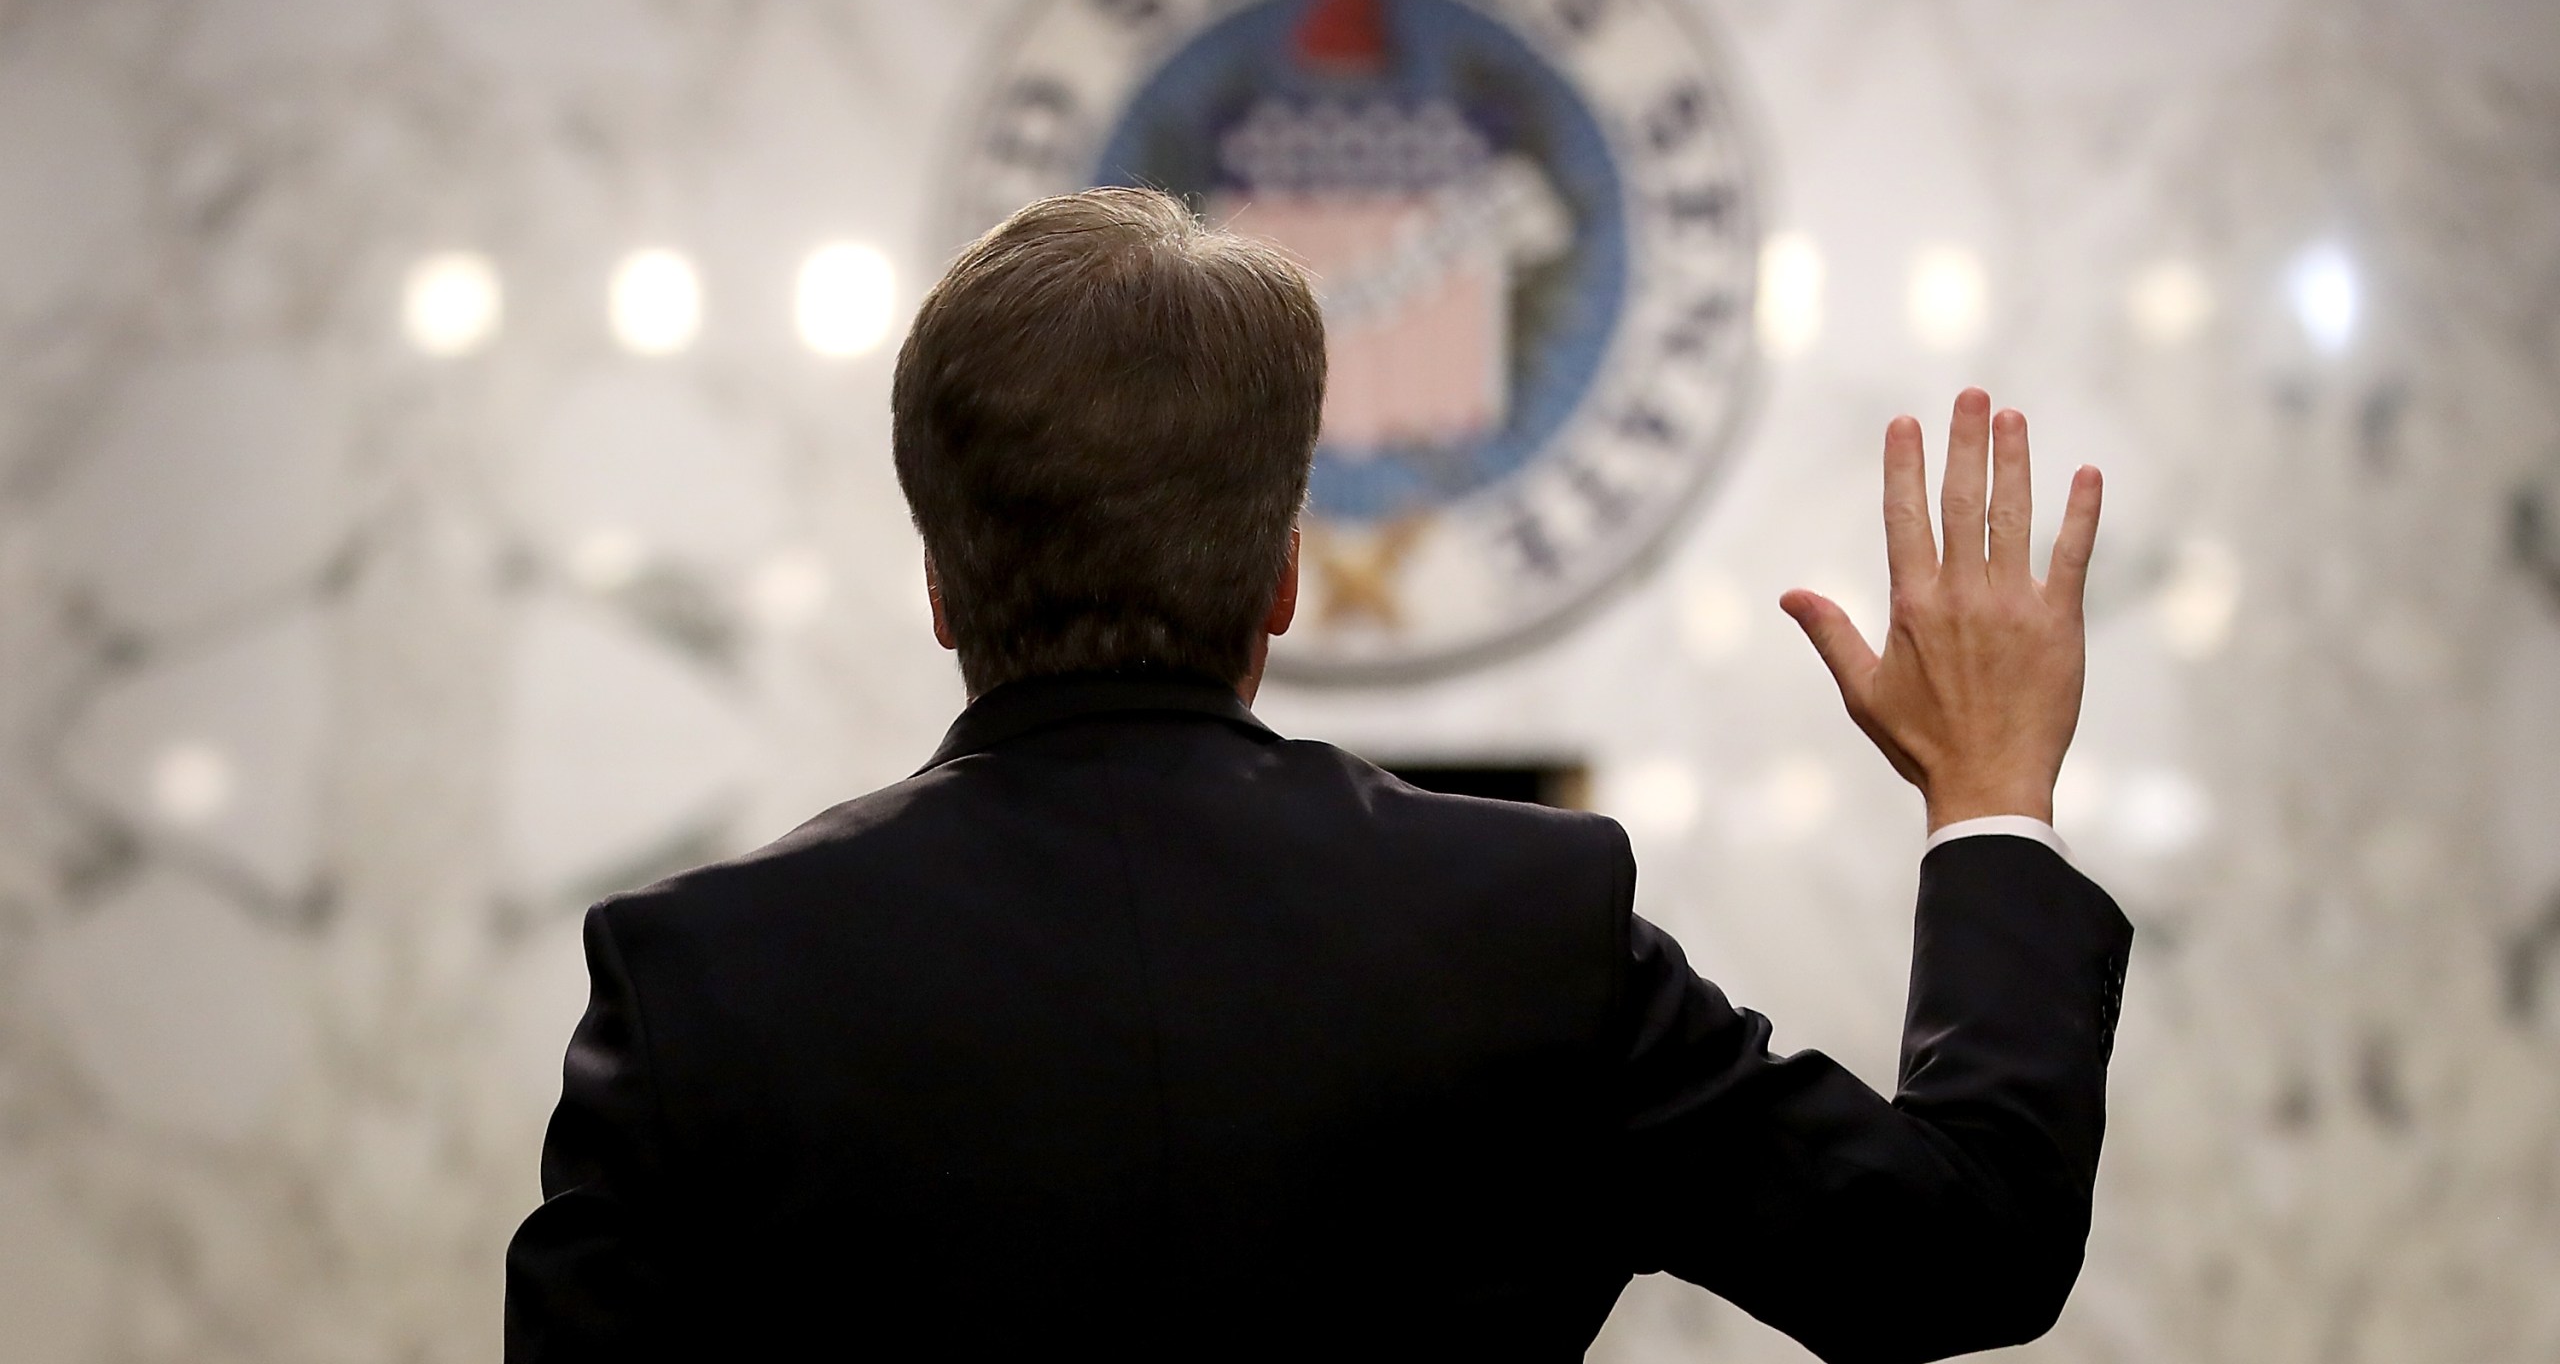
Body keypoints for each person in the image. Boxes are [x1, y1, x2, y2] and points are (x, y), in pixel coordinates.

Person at [504, 189, 2130, 1362]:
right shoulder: (1521, 929)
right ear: (1283, 578)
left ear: (937, 582)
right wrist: (1989, 793)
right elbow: (1959, 1254)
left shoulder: (703, 982)